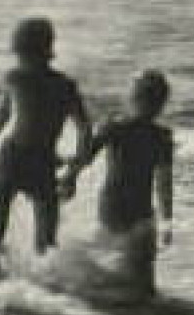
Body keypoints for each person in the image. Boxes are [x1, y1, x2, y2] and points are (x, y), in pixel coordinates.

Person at [0, 18, 92, 261]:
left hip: (30, 161)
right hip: (22, 160)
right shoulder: (47, 83)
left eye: (22, 53)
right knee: (0, 229)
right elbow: (2, 117)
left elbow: (85, 128)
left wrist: (74, 173)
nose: (21, 60)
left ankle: (25, 287)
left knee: (43, 240)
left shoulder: (31, 81)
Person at [59, 69, 175, 300]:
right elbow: (87, 155)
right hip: (125, 208)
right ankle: (98, 293)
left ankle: (120, 303)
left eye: (155, 100)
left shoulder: (140, 132)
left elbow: (164, 181)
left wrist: (166, 220)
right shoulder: (128, 130)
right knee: (131, 266)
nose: (153, 106)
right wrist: (69, 178)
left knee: (133, 267)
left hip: (127, 207)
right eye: (150, 100)